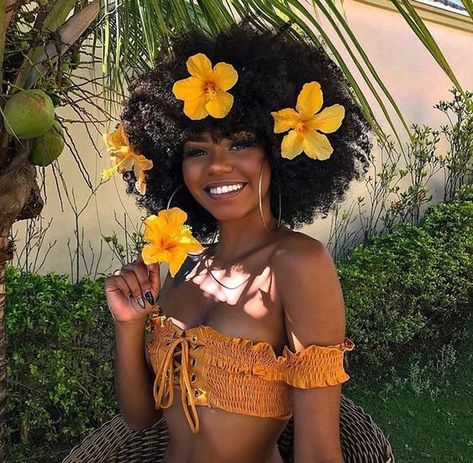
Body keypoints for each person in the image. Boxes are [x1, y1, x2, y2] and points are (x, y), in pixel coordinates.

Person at [104, 18, 371, 463]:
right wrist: (129, 325)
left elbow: (319, 450)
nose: (217, 165)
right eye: (197, 150)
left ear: (278, 153)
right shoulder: (186, 264)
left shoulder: (297, 263)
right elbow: (141, 417)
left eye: (241, 143)